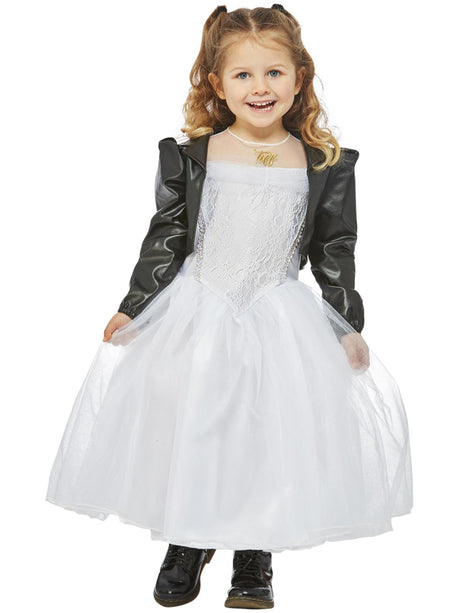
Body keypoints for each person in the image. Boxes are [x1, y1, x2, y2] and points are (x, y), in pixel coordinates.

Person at [45, 4, 413, 610]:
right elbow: (168, 235)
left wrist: (347, 323)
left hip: (277, 312)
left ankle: (254, 552)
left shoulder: (323, 163)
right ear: (217, 84)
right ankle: (189, 537)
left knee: (268, 428)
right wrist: (135, 305)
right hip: (201, 307)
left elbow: (333, 248)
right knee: (196, 419)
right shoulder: (195, 155)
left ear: (299, 77)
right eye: (243, 75)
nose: (259, 88)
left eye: (274, 73)